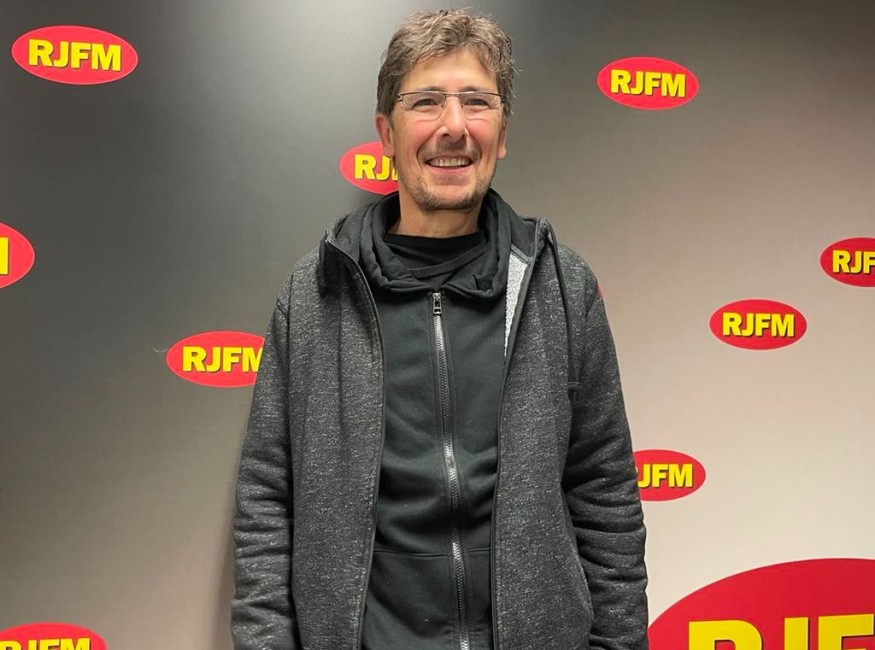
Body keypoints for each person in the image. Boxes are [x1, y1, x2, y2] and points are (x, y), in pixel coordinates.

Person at [232, 9, 647, 650]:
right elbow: (266, 497)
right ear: (386, 132)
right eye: (426, 101)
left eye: (476, 101)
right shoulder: (315, 295)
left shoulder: (561, 288)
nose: (453, 126)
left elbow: (605, 489)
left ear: (501, 133)